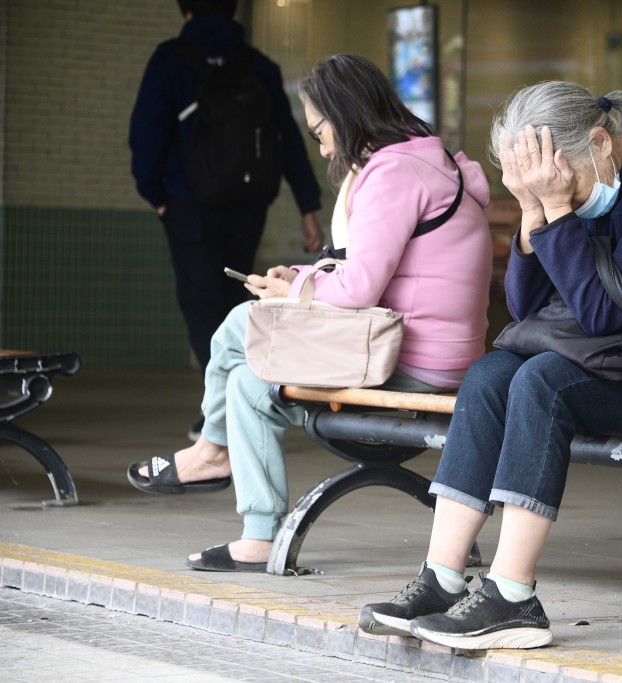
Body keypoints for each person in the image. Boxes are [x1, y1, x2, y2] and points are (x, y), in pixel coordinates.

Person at [358, 81, 622, 650]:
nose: (570, 199)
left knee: (543, 383)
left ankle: (512, 597)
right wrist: (535, 210)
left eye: (563, 184)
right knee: (489, 376)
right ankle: (442, 577)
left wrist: (559, 208)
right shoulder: (589, 180)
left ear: (601, 143)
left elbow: (605, 312)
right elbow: (527, 307)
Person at [126, 54, 493, 572]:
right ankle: (259, 535)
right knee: (249, 387)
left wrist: (292, 291)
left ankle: (211, 451)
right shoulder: (426, 160)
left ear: (345, 117)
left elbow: (362, 285)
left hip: (410, 361)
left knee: (242, 324)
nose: (320, 144)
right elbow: (368, 268)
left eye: (320, 129)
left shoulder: (393, 171)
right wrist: (297, 279)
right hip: (427, 351)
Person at [129, 0, 324, 440]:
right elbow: (288, 142)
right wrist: (307, 206)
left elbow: (145, 132)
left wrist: (156, 196)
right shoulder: (259, 65)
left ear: (186, 10)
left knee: (201, 307)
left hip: (187, 204)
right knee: (235, 303)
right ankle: (244, 403)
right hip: (247, 205)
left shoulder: (170, 60)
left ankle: (218, 415)